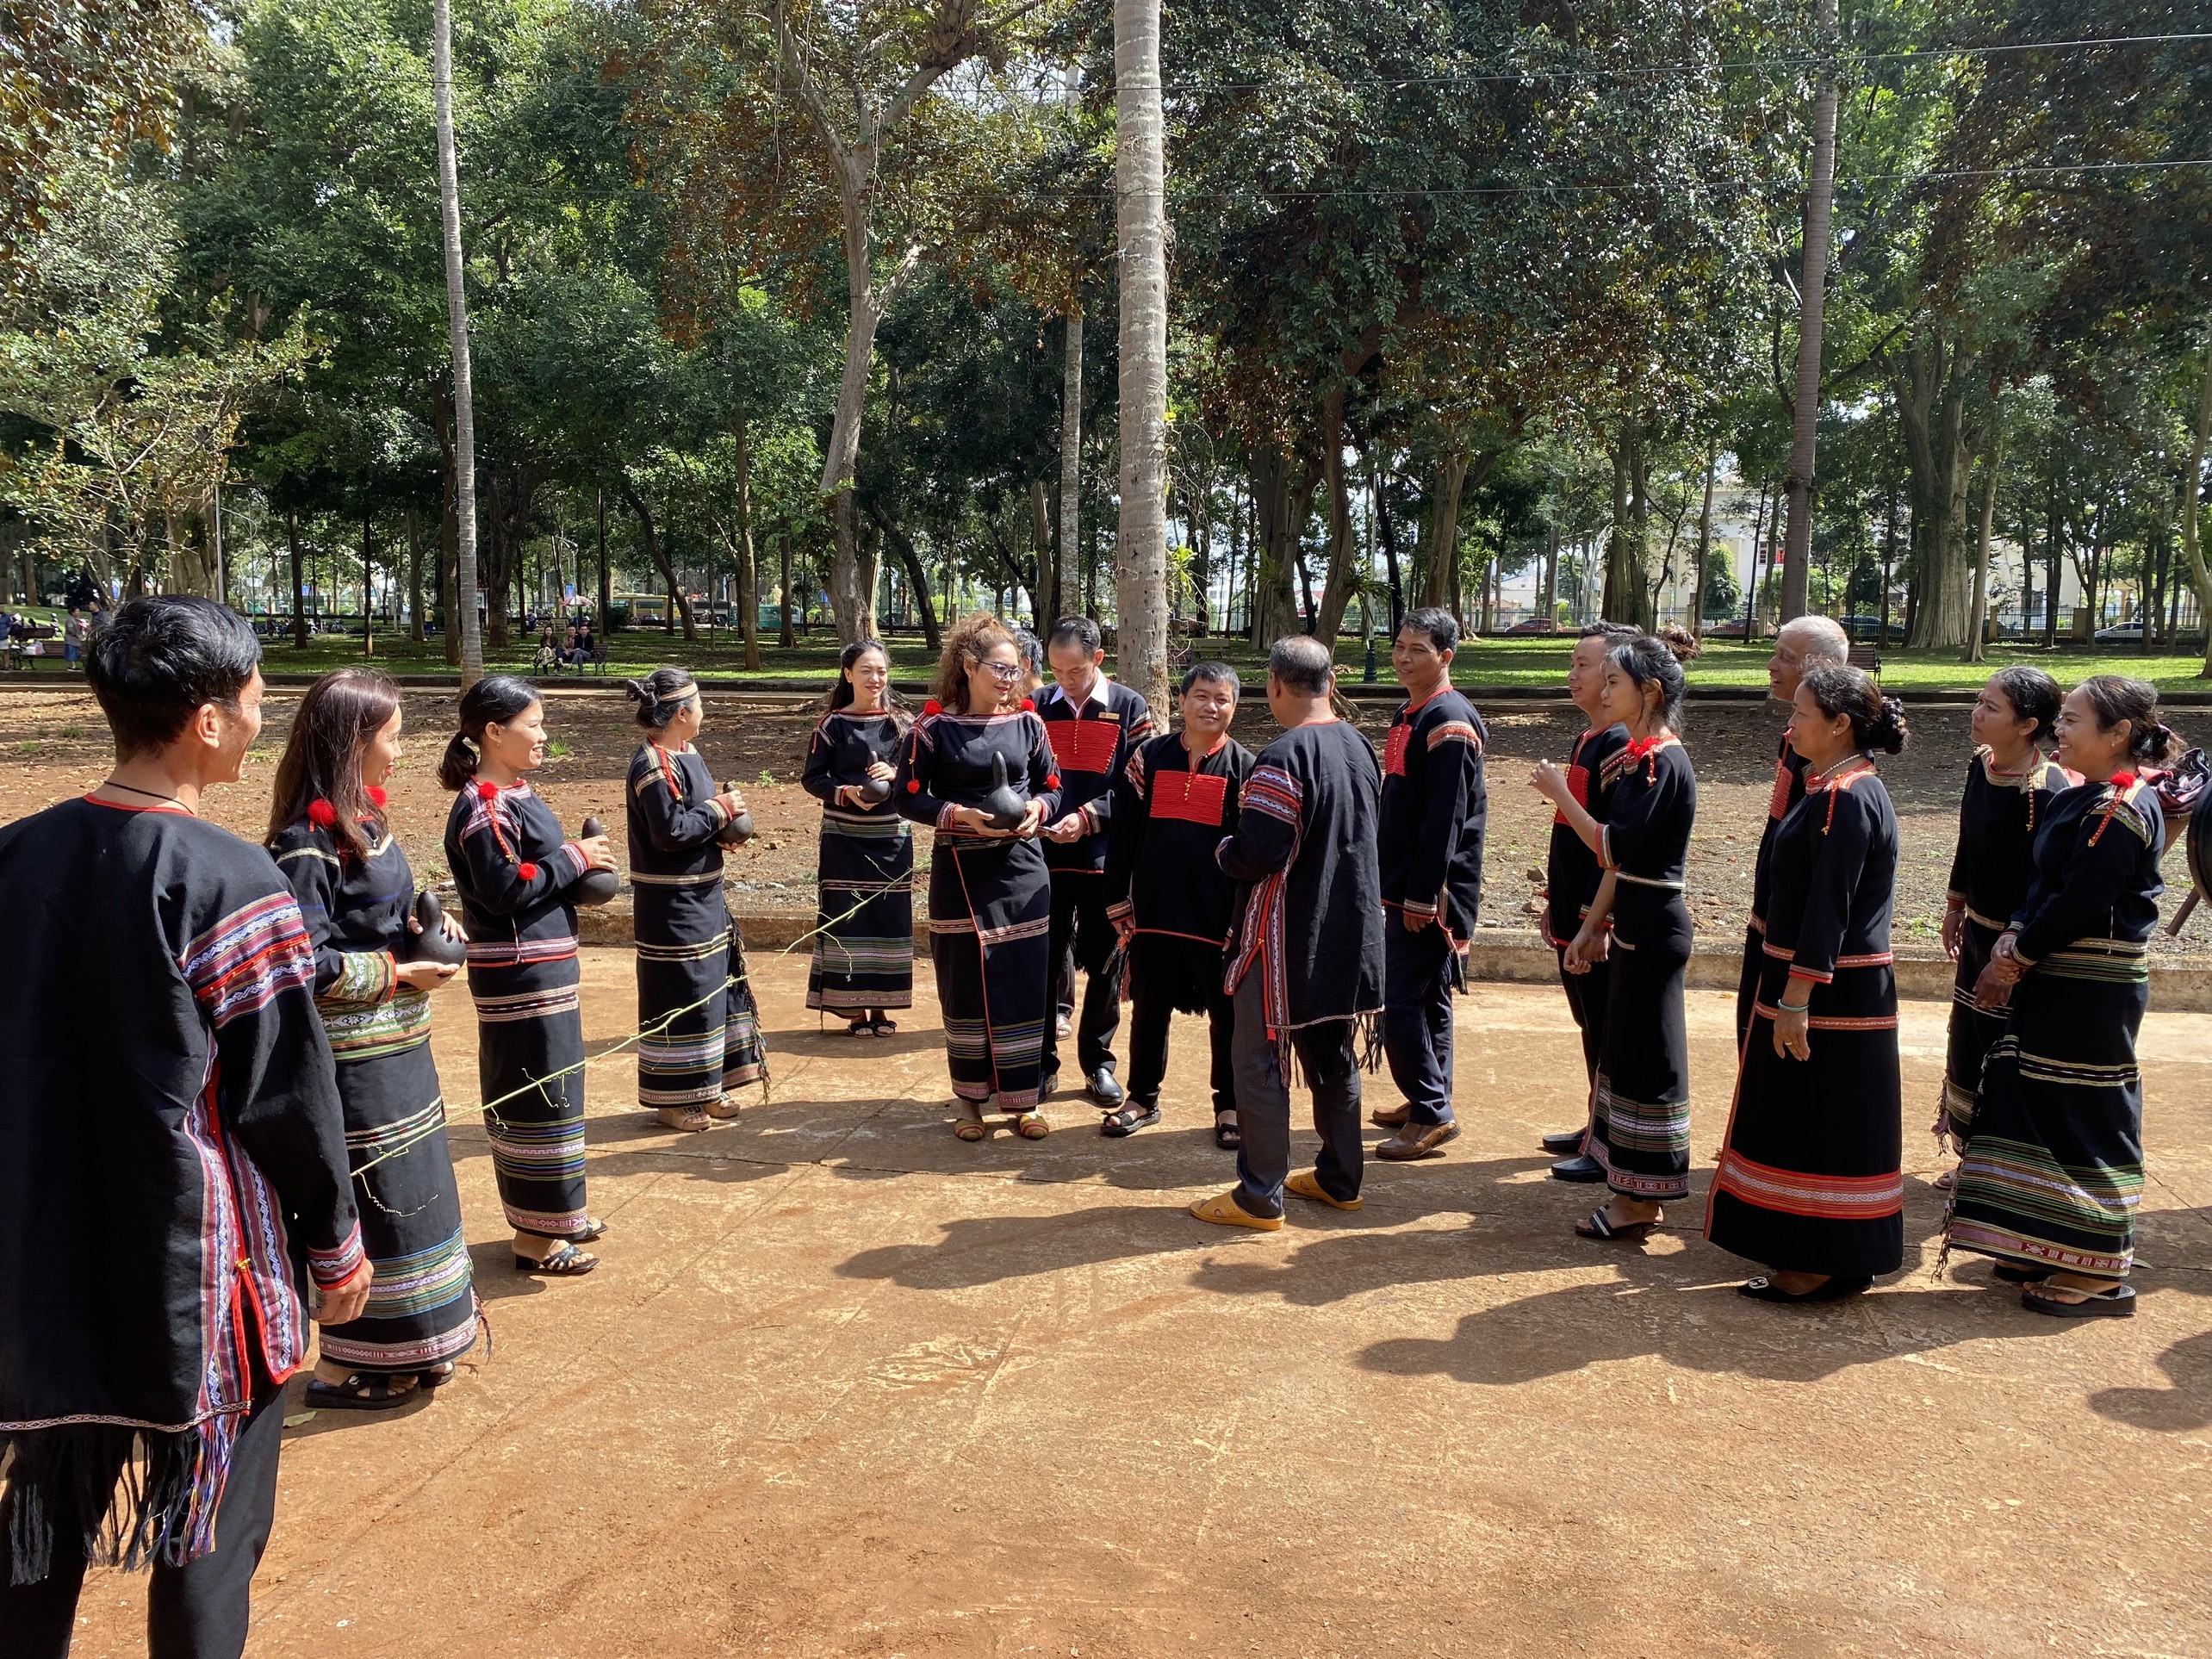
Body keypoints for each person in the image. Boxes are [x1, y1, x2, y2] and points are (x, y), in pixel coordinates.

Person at [0, 595, 370, 1656]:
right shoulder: (229, 880)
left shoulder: (15, 859)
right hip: (198, 1279)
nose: (262, 723)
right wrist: (335, 1243)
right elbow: (286, 1098)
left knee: (40, 1522)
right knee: (209, 1534)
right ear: (206, 720)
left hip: (41, 1263)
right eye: (255, 703)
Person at [267, 668, 480, 1408]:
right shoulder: (305, 845)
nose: (400, 749)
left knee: (414, 1190)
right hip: (356, 1061)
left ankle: (415, 1343)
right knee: (378, 1195)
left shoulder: (369, 822)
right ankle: (346, 1366)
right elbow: (304, 960)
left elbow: (389, 909)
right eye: (390, 736)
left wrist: (431, 919)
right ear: (352, 742)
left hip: (402, 1048)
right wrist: (400, 969)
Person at [1947, 676, 2184, 1318]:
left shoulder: (2119, 810)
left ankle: (2098, 1268)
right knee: (2036, 1099)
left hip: (2092, 988)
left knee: (2084, 1112)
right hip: (2054, 978)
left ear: (2119, 736)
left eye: (2075, 721)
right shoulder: (2086, 799)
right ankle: (2042, 1237)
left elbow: (2080, 902)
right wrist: (2016, 939)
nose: (2062, 731)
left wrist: (2013, 958)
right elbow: (2042, 885)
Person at [1707, 663, 1907, 1302]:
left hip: (1830, 993)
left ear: (1841, 724)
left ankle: (1822, 1258)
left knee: (1822, 1122)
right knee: (1819, 1118)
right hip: (1827, 987)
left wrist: (1796, 999)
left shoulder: (1845, 798)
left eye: (1801, 714)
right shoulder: (1835, 788)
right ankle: (1829, 1253)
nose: (1789, 724)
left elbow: (1830, 909)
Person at [1190, 635, 1383, 1230]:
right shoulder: (1359, 744)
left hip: (1284, 942)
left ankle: (1259, 1195)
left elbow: (1260, 850)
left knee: (1258, 1060)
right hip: (1349, 933)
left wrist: (1225, 849)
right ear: (1329, 682)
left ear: (1275, 684)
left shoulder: (1284, 754)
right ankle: (1339, 1179)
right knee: (1332, 1054)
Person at [440, 674, 618, 1274]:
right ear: (494, 732)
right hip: (519, 978)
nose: (544, 736)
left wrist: (569, 861)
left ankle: (556, 1216)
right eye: (534, 725)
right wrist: (577, 858)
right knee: (535, 1098)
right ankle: (534, 1237)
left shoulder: (515, 792)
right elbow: (503, 889)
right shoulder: (481, 806)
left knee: (558, 1093)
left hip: (544, 972)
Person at [1532, 630, 1700, 1241]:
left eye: (1614, 682)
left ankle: (1642, 1198)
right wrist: (1589, 924)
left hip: (1654, 928)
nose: (1603, 690)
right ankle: (1631, 1189)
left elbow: (1611, 844)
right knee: (1626, 1059)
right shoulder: (1644, 758)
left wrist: (1559, 796)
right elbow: (1617, 867)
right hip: (1636, 923)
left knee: (1649, 1064)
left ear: (1648, 692)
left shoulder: (1659, 763)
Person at [894, 615, 1061, 1140]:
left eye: (1017, 669)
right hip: (961, 872)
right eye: (999, 668)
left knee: (1023, 980)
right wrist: (956, 815)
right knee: (964, 983)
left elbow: (1054, 787)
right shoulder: (933, 729)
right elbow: (907, 796)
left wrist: (1039, 807)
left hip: (1023, 873)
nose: (1010, 678)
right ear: (968, 666)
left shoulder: (1031, 726)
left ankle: (1022, 1099)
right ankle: (969, 1101)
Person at [1102, 662, 1256, 1143]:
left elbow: (1251, 854)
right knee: (1148, 1009)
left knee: (1226, 1015)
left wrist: (1241, 918)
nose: (1211, 706)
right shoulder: (1148, 757)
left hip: (1216, 919)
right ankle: (1142, 1098)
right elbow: (1122, 833)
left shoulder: (1247, 769)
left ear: (1234, 707)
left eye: (1222, 699)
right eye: (1202, 696)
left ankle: (1228, 1107)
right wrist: (1117, 900)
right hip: (1154, 913)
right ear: (1182, 699)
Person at [1935, 668, 2067, 1185]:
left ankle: (2001, 1163)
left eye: (1992, 708)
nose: (1977, 713)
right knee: (1968, 1037)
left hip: (2016, 944)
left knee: (2004, 1044)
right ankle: (1971, 1154)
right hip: (1978, 931)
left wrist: (2010, 949)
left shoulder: (2046, 789)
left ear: (2028, 724)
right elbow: (1970, 842)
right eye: (1979, 701)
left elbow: (2042, 877)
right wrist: (1954, 906)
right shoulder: (1980, 765)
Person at [622, 668, 768, 1131]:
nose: (704, 712)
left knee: (709, 988)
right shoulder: (650, 766)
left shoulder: (689, 754)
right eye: (700, 704)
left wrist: (723, 836)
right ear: (682, 713)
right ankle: (672, 1098)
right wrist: (719, 811)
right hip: (669, 904)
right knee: (677, 992)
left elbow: (696, 827)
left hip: (704, 893)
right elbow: (669, 833)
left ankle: (707, 1086)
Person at [1369, 606, 1488, 1161]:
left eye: (1418, 649)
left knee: (1399, 999)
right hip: (1402, 879)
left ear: (1446, 656)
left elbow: (1447, 815)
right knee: (1427, 996)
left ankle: (1432, 1110)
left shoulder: (1450, 721)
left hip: (1430, 889)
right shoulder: (1411, 712)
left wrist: (1423, 891)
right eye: (1399, 646)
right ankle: (1427, 1100)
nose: (1403, 657)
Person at [1036, 616, 1154, 1109]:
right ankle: (1040, 1063)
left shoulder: (1129, 707)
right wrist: (1040, 811)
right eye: (1057, 671)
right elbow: (1028, 772)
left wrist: (1089, 818)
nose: (1065, 680)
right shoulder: (1038, 706)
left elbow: (1139, 784)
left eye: (1076, 671)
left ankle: (1098, 1064)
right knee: (1043, 962)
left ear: (1098, 660)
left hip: (1106, 860)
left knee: (1106, 965)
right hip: (1045, 857)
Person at [1538, 622, 1639, 1182]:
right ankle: (1595, 1124)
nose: (1573, 674)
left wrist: (1596, 921)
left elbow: (1613, 842)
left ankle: (1608, 1139)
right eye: (1573, 663)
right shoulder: (1589, 739)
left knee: (1603, 1028)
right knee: (1588, 1025)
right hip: (1572, 909)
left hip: (1593, 918)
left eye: (1585, 664)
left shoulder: (1621, 745)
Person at [1737, 615, 1849, 1046]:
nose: (1771, 665)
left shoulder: (1833, 756)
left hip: (1796, 924)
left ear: (1819, 667)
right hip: (1772, 907)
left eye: (1785, 657)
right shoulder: (1796, 738)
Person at [802, 639, 915, 1035]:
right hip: (843, 836)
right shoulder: (831, 726)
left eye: (881, 670)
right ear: (848, 675)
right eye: (866, 670)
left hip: (891, 837)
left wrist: (897, 776)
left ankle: (882, 1006)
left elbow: (922, 778)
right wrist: (845, 792)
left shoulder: (904, 725)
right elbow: (812, 779)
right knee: (847, 915)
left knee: (888, 916)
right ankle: (851, 1009)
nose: (875, 678)